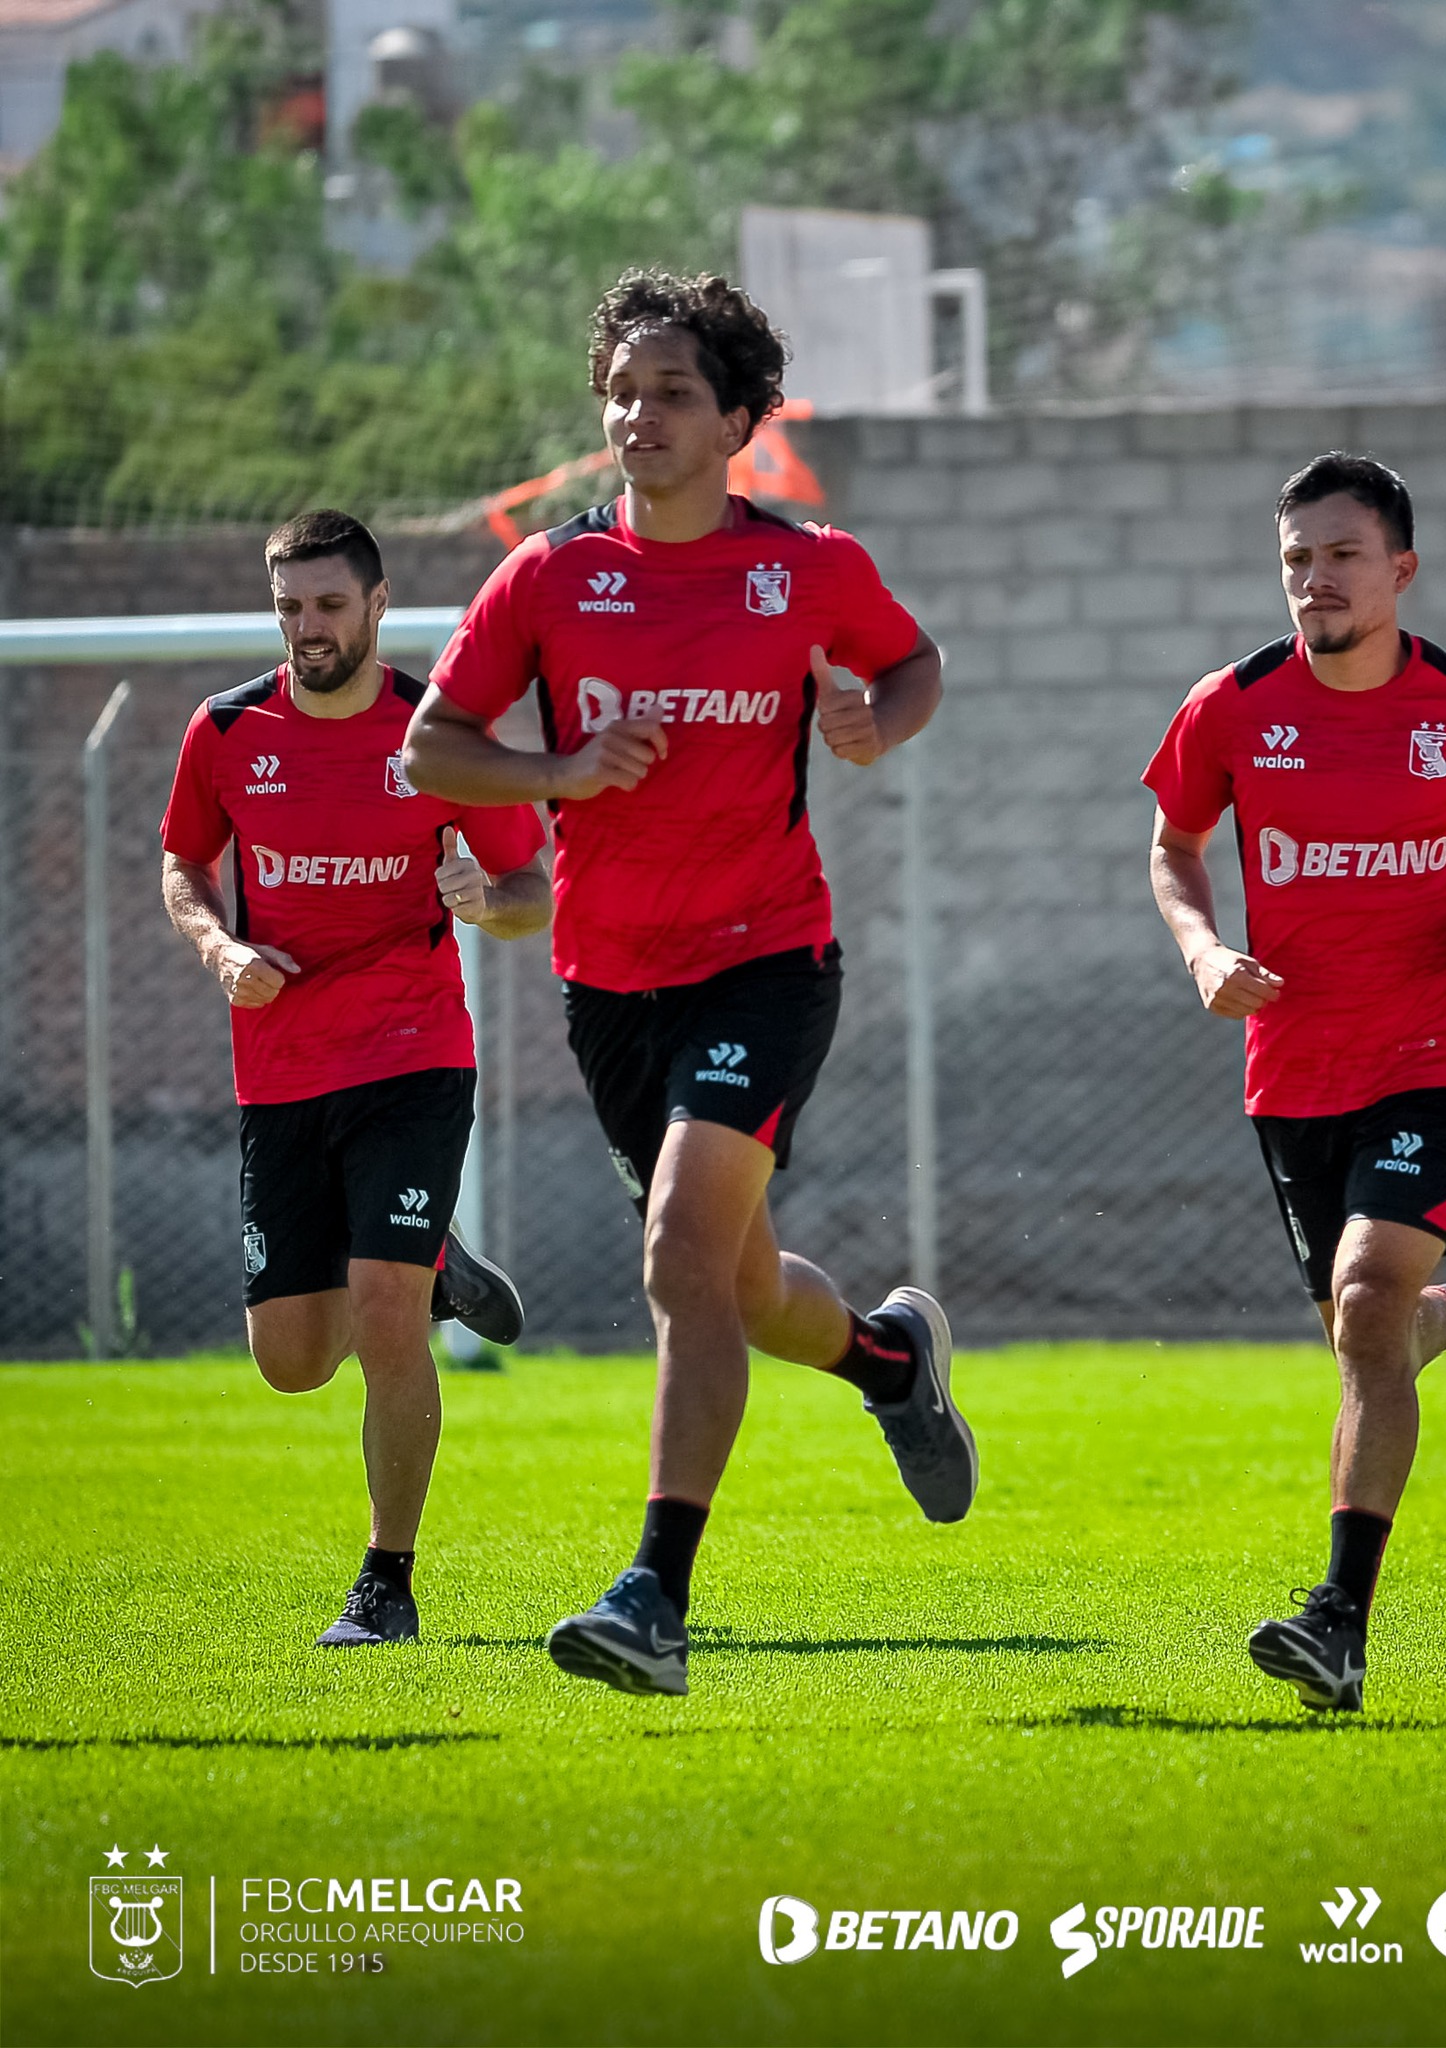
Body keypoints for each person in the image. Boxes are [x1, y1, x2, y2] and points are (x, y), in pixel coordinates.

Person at [401, 269, 978, 1699]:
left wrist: (868, 728)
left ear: (734, 421)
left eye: (668, 392)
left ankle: (653, 1596)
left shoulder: (808, 569)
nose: (634, 412)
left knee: (675, 1255)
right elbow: (430, 748)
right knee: (735, 1280)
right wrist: (557, 772)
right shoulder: (547, 576)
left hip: (768, 962)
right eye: (619, 389)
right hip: (609, 986)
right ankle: (887, 1362)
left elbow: (914, 669)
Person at [1143, 452, 1446, 1714]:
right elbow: (1174, 846)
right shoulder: (1228, 708)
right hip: (1292, 1067)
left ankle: (1338, 1617)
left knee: (1364, 1291)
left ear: (1401, 568)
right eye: (1296, 558)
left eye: (1341, 555)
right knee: (1370, 1335)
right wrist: (1202, 948)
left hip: (1437, 1054)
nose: (1315, 580)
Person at [161, 509, 552, 1648]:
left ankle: (386, 1581)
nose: (308, 627)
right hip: (280, 1069)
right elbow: (185, 860)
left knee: (381, 1315)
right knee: (290, 1361)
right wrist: (221, 948)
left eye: (329, 604)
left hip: (412, 1054)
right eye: (289, 606)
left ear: (377, 604)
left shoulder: (440, 735)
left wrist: (489, 901)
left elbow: (535, 885)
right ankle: (431, 1263)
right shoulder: (226, 730)